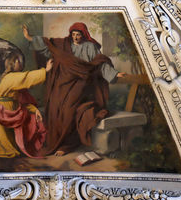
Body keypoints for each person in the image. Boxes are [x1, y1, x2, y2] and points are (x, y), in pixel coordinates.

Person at [23, 22, 126, 156]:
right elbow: (48, 46)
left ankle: (67, 144)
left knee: (68, 108)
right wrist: (29, 37)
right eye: (73, 34)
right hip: (63, 84)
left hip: (82, 85)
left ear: (84, 35)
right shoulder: (64, 45)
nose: (76, 37)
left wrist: (115, 74)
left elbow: (100, 64)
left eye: (78, 35)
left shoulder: (90, 47)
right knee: (54, 106)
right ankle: (55, 142)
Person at [0, 53, 53, 158]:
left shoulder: (11, 78)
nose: (20, 63)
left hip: (10, 107)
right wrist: (46, 70)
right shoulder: (11, 77)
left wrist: (35, 110)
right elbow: (27, 77)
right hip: (3, 109)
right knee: (2, 137)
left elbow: (21, 99)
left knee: (32, 120)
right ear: (11, 64)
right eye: (17, 61)